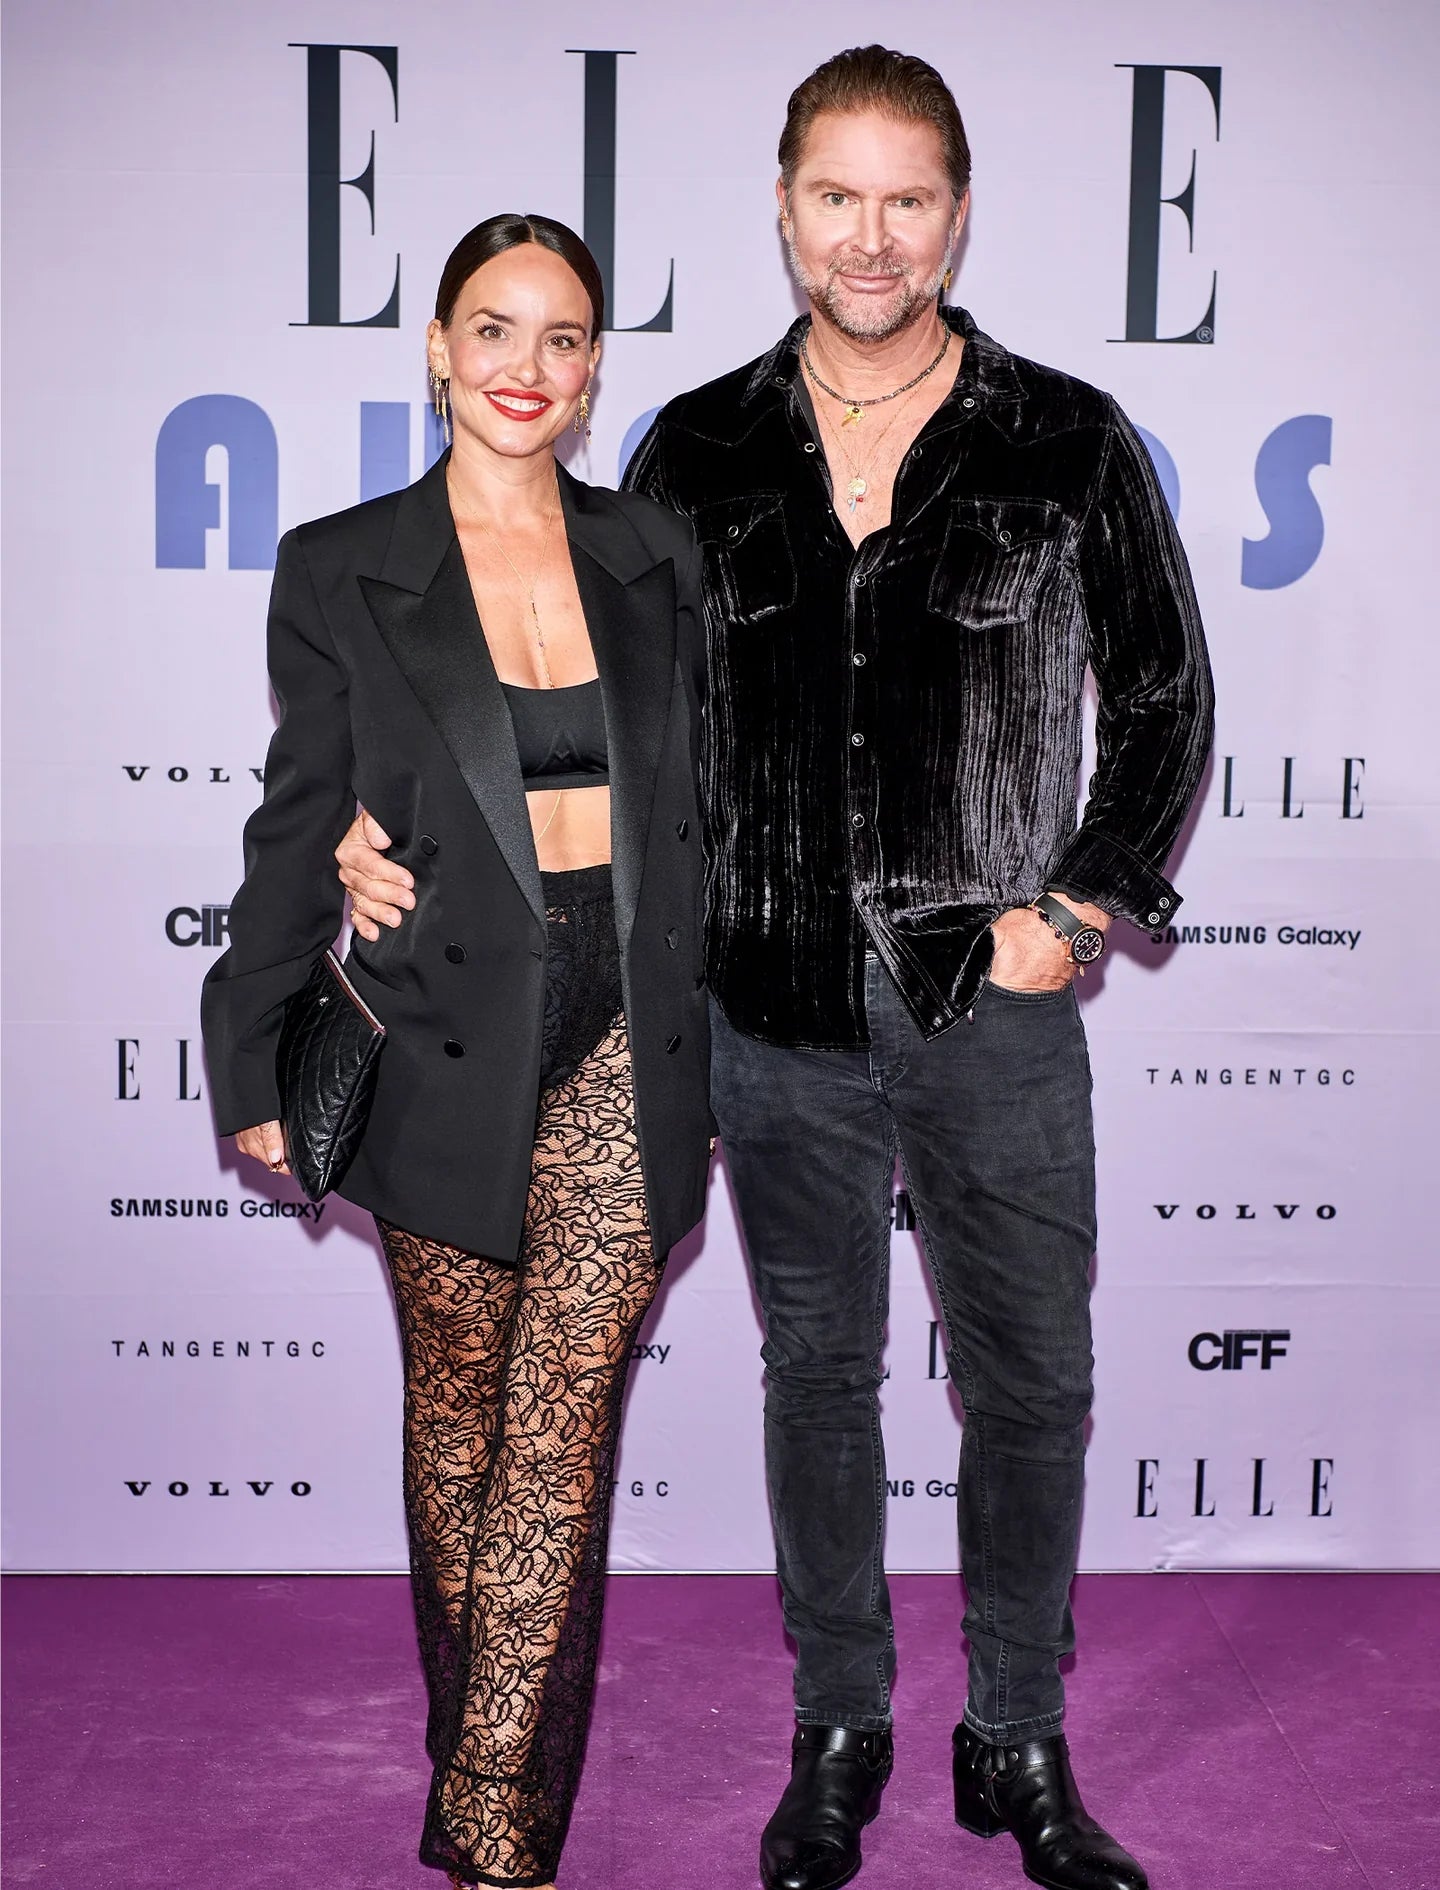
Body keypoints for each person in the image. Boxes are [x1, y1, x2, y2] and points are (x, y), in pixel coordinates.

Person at [338, 45, 1214, 1890]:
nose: (870, 237)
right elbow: (571, 701)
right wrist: (376, 814)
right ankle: (840, 1729)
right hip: (767, 1005)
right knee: (818, 1375)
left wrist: (1073, 911)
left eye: (907, 200)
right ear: (787, 209)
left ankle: (1016, 1737)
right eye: (837, 196)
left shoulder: (1066, 441)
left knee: (1031, 1384)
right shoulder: (696, 452)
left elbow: (1163, 700)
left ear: (955, 217)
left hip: (992, 1009)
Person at [202, 212, 710, 1890]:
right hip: (436, 1028)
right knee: (461, 1423)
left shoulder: (658, 554)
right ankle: (483, 1752)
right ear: (437, 346)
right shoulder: (340, 564)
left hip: (628, 1027)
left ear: (594, 367)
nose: (526, 368)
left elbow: (708, 803)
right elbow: (298, 822)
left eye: (563, 339)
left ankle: (495, 1831)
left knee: (556, 1430)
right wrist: (252, 1052)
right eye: (494, 329)